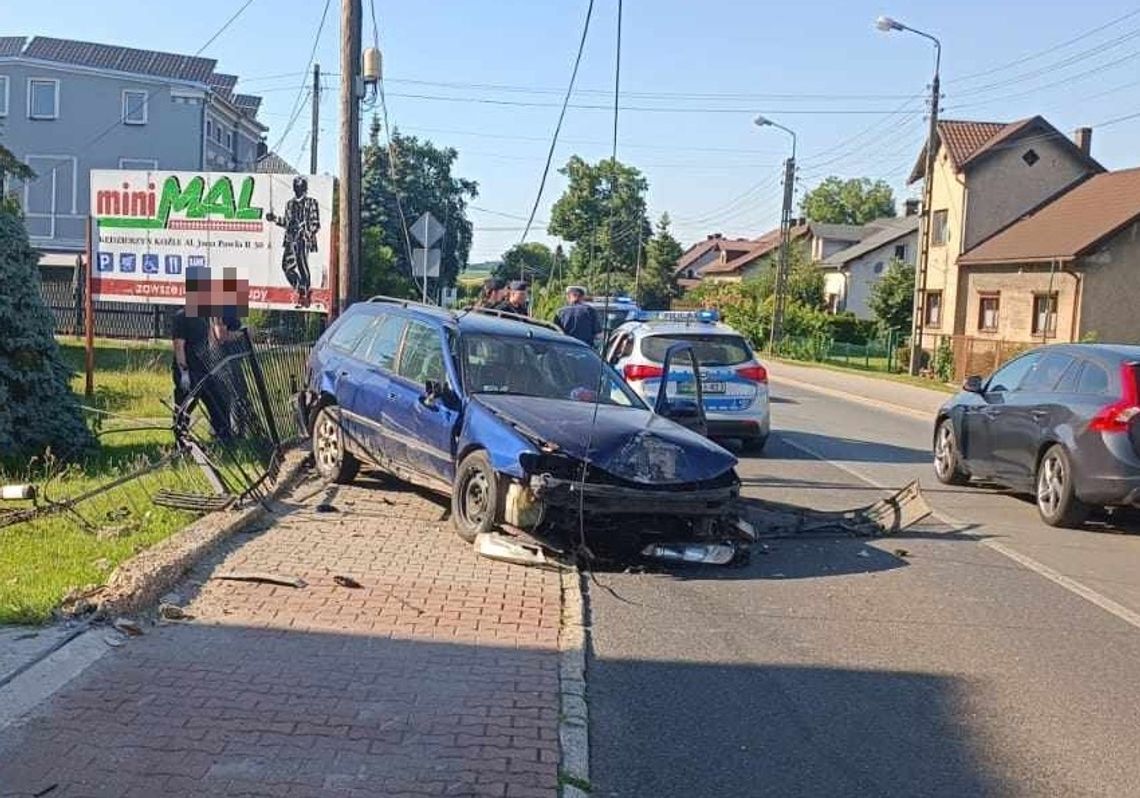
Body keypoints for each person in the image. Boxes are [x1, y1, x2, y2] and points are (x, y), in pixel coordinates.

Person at [266, 176, 321, 308]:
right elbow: (286, 222)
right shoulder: (290, 204)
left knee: (302, 266)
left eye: (301, 187)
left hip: (303, 239)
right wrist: (274, 219)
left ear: (305, 189)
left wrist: (306, 231)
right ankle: (300, 289)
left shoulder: (312, 202)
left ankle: (304, 294)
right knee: (286, 266)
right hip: (291, 238)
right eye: (297, 187)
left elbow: (316, 224)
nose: (299, 190)